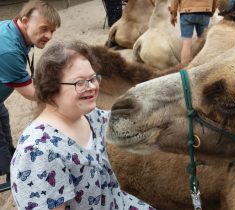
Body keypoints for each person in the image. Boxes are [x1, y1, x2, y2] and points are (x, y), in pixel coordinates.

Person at [10, 40, 156, 210]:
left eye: (93, 78)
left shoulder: (89, 117)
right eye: (80, 82)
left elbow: (131, 122)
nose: (92, 86)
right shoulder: (38, 151)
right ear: (51, 87)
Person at [0, 0, 60, 192]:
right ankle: (7, 178)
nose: (49, 36)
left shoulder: (15, 31)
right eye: (44, 29)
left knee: (3, 120)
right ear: (25, 21)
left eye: (52, 30)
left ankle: (9, 164)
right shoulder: (8, 49)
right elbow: (32, 93)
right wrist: (62, 91)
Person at [170, 0, 216, 66]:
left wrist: (173, 14)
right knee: (202, 43)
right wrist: (212, 10)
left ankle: (184, 68)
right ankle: (201, 67)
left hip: (187, 11)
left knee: (186, 43)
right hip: (205, 11)